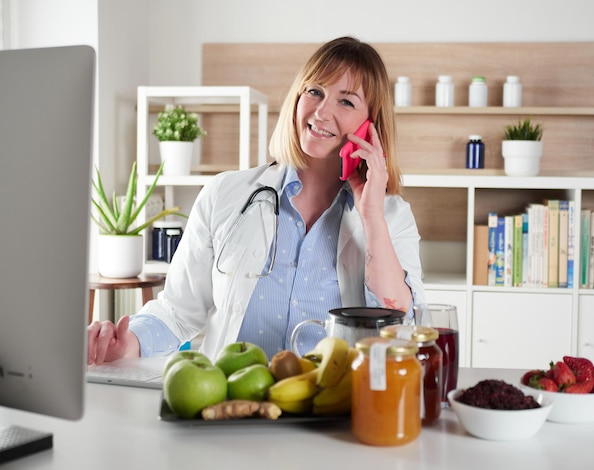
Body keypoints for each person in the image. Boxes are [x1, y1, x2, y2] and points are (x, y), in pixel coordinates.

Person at [87, 36, 425, 365]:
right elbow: (177, 311)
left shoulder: (392, 218)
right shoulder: (225, 194)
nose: (321, 111)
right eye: (315, 91)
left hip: (331, 410)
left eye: (346, 101)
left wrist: (372, 217)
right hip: (231, 404)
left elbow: (401, 327)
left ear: (372, 126)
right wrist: (127, 341)